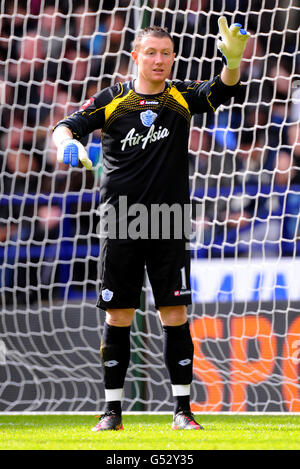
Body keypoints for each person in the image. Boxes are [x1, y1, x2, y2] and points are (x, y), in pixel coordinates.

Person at [53, 17, 250, 431]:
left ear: (173, 58)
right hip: (121, 221)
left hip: (169, 222)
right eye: (151, 53)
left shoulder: (181, 98)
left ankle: (182, 411)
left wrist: (232, 61)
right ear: (135, 57)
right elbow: (66, 125)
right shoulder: (113, 99)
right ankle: (111, 412)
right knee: (118, 316)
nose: (159, 61)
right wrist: (67, 143)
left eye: (165, 54)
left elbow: (224, 89)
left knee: (174, 313)